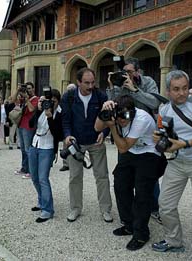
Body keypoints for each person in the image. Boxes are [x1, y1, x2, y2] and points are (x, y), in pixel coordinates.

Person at [150, 70, 192, 260]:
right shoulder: (164, 110)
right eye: (176, 89)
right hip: (177, 162)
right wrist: (159, 139)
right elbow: (162, 134)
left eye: (185, 88)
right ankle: (173, 241)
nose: (181, 93)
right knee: (165, 206)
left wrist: (186, 143)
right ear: (168, 90)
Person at [95, 95, 166, 251]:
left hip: (149, 152)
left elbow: (122, 147)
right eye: (119, 116)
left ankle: (141, 233)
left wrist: (113, 127)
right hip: (132, 151)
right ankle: (129, 225)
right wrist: (104, 111)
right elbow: (97, 128)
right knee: (120, 185)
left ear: (133, 111)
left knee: (142, 193)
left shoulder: (141, 118)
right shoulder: (116, 114)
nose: (123, 120)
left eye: (127, 116)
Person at [106, 56, 163, 224]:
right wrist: (112, 86)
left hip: (145, 134)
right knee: (124, 176)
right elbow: (114, 104)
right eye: (124, 72)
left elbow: (154, 103)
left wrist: (135, 89)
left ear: (137, 71)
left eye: (129, 72)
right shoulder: (120, 84)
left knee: (148, 178)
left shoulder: (148, 82)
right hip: (125, 134)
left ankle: (154, 208)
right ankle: (130, 210)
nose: (126, 75)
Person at [61, 67, 112, 223]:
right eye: (86, 83)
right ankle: (75, 208)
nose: (90, 86)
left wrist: (104, 133)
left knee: (102, 176)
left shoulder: (101, 96)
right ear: (78, 82)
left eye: (92, 82)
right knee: (75, 177)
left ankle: (106, 209)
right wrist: (67, 135)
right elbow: (66, 120)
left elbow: (109, 119)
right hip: (76, 142)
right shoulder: (69, 97)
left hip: (96, 141)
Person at [28, 88, 63, 223]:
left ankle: (48, 210)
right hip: (35, 145)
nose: (50, 104)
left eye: (53, 101)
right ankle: (41, 201)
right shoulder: (42, 109)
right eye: (49, 101)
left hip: (47, 148)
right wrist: (38, 110)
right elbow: (31, 125)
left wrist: (50, 117)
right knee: (35, 177)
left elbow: (58, 134)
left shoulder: (59, 114)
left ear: (58, 102)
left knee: (43, 178)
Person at [14, 82, 39, 179]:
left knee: (29, 150)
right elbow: (12, 101)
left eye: (29, 88)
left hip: (29, 127)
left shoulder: (36, 99)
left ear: (33, 89)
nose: (28, 90)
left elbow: (32, 109)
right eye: (26, 88)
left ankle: (31, 171)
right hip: (21, 125)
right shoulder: (23, 98)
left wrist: (27, 98)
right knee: (23, 149)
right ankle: (24, 168)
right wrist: (18, 90)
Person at [59, 83, 77, 172]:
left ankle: (74, 162)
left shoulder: (78, 98)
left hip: (76, 124)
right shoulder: (65, 99)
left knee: (75, 145)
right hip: (67, 124)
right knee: (66, 144)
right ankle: (66, 163)